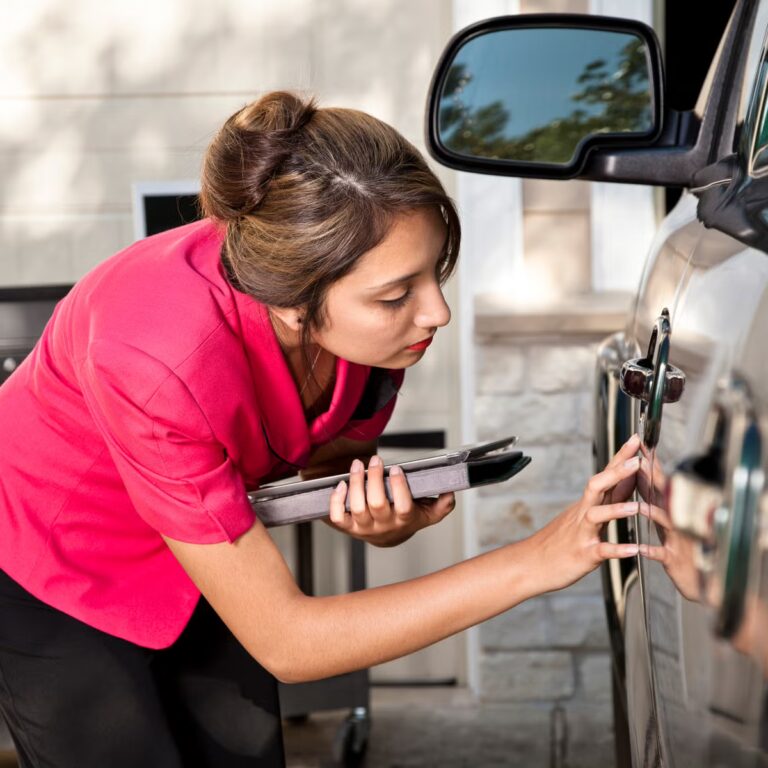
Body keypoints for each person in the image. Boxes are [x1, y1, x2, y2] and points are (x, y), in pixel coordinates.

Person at [0, 91, 642, 768]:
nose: (436, 313)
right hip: (53, 550)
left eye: (435, 273)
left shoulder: (375, 340)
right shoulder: (159, 359)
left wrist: (376, 519)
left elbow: (331, 456)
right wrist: (536, 559)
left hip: (206, 543)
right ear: (291, 300)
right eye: (397, 295)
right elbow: (289, 642)